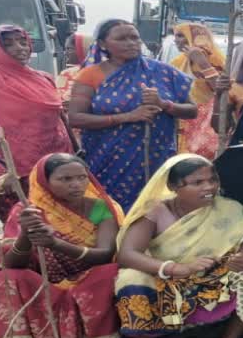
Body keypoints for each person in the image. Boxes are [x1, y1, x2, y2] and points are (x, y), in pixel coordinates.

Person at [111, 155, 243, 338]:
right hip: (166, 276)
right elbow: (128, 254)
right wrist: (175, 268)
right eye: (197, 182)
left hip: (213, 273)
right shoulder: (156, 211)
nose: (209, 186)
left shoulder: (231, 209)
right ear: (173, 187)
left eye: (213, 179)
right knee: (130, 278)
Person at [0, 154, 122, 338]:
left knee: (109, 273)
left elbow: (106, 254)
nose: (76, 184)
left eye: (82, 177)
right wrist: (26, 235)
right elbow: (11, 262)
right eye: (66, 178)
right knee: (8, 278)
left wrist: (57, 244)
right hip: (43, 278)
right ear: (44, 182)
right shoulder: (26, 211)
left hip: (87, 274)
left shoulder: (101, 206)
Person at [67, 19, 197, 211]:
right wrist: (128, 116)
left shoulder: (162, 71)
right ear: (103, 44)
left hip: (154, 158)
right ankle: (109, 239)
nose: (131, 43)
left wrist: (163, 104)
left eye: (134, 37)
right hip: (106, 160)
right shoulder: (90, 75)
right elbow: (76, 118)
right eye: (121, 39)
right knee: (107, 210)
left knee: (153, 208)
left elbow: (192, 111)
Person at [0, 25, 74, 221]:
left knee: (66, 222)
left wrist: (74, 155)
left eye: (23, 42)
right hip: (18, 172)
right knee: (26, 228)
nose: (20, 48)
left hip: (57, 164)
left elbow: (60, 121)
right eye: (8, 44)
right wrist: (0, 171)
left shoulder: (44, 78)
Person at [170, 23, 226, 158]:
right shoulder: (178, 62)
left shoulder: (212, 59)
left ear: (193, 37)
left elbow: (222, 89)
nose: (175, 40)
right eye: (175, 36)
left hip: (207, 120)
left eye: (180, 36)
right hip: (182, 118)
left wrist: (202, 62)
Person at [55, 32, 91, 104]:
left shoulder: (67, 74)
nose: (66, 53)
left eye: (69, 49)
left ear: (81, 48)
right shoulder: (102, 71)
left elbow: (57, 98)